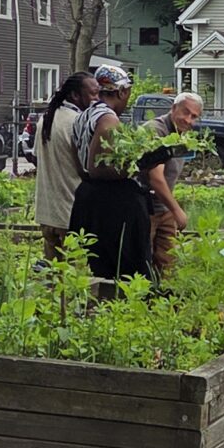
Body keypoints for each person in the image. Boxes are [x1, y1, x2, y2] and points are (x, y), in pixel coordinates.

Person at [68, 62, 154, 284]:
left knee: (100, 269)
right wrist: (139, 164)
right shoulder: (108, 120)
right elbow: (98, 169)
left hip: (87, 200)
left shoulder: (83, 115)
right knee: (126, 272)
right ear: (122, 91)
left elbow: (81, 165)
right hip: (113, 207)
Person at [31, 70, 99, 260]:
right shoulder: (78, 121)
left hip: (47, 212)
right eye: (93, 93)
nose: (97, 98)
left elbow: (36, 157)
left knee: (54, 276)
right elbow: (88, 167)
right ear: (75, 95)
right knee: (74, 276)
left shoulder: (46, 119)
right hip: (71, 212)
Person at [143, 91, 204, 278]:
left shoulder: (183, 135)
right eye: (185, 112)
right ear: (173, 108)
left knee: (168, 264)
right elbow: (156, 177)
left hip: (163, 206)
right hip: (144, 206)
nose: (188, 120)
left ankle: (163, 302)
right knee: (142, 263)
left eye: (194, 117)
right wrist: (177, 210)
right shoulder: (156, 130)